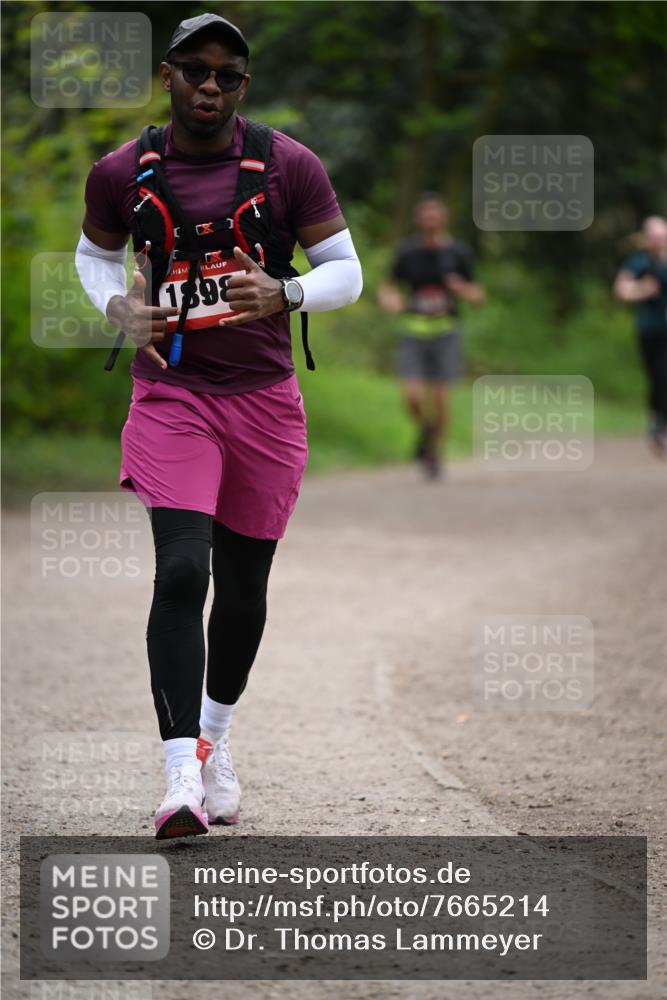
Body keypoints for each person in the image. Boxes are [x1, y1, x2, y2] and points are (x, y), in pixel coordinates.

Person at [75, 13, 362, 839]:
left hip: (265, 400)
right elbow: (94, 257)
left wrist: (286, 292)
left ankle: (213, 743)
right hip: (172, 398)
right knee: (181, 572)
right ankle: (177, 782)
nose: (209, 86)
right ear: (167, 75)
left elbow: (345, 268)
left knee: (242, 587)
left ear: (243, 84)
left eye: (227, 75)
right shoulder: (122, 171)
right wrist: (116, 305)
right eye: (195, 71)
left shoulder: (286, 165)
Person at [378, 194, 484, 478]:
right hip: (413, 331)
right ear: (418, 219)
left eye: (435, 215)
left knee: (439, 398)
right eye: (425, 215)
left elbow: (477, 296)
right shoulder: (407, 252)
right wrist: (391, 300)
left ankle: (434, 454)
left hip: (446, 331)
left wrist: (461, 288)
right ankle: (426, 432)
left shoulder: (458, 253)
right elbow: (388, 286)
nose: (430, 220)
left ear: (444, 219)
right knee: (411, 395)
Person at [613, 215, 667, 457]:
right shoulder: (640, 261)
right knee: (658, 375)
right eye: (655, 236)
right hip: (651, 329)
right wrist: (644, 289)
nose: (659, 240)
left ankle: (659, 424)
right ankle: (658, 422)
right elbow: (622, 290)